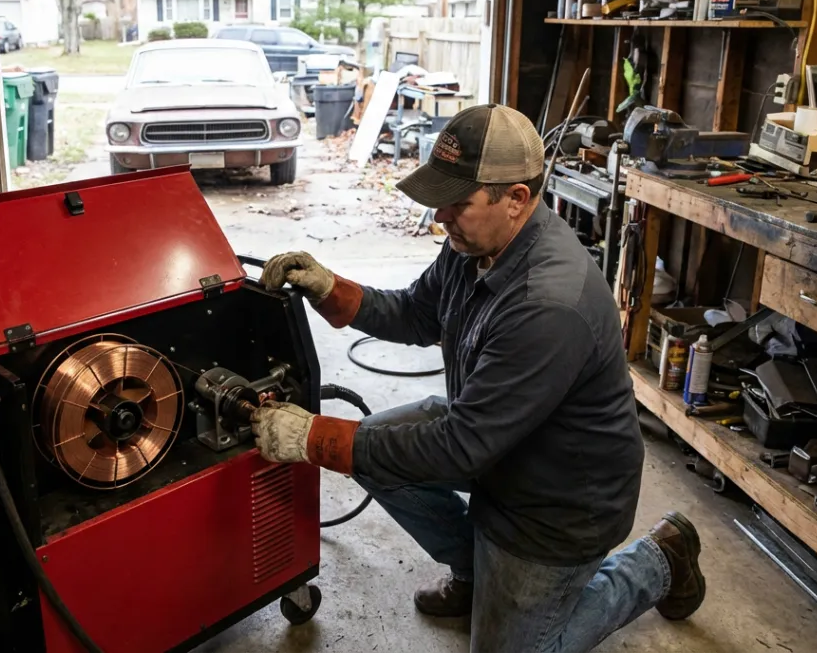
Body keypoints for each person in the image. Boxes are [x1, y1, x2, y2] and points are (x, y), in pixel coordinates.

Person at [252, 104, 705, 652]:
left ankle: (659, 559)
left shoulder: (548, 305)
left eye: (458, 203)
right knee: (374, 452)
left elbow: (460, 449)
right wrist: (332, 290)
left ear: (515, 198)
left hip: (557, 501)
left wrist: (314, 438)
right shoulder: (475, 245)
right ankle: (474, 572)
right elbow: (417, 313)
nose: (440, 216)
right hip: (492, 438)